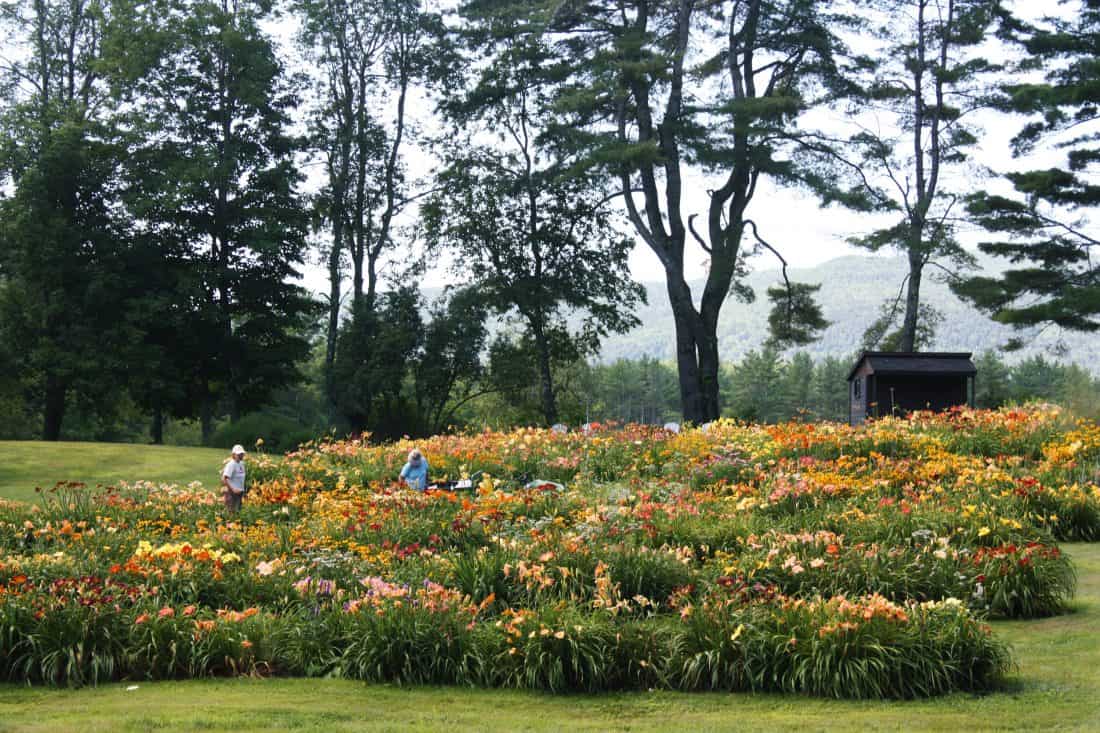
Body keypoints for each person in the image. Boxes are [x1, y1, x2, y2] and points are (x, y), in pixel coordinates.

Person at [221, 444, 247, 512]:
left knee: (238, 512)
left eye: (242, 454)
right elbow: (224, 478)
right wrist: (233, 489)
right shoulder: (231, 464)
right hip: (232, 493)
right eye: (238, 454)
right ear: (233, 455)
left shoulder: (242, 464)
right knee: (231, 512)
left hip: (240, 492)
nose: (240, 456)